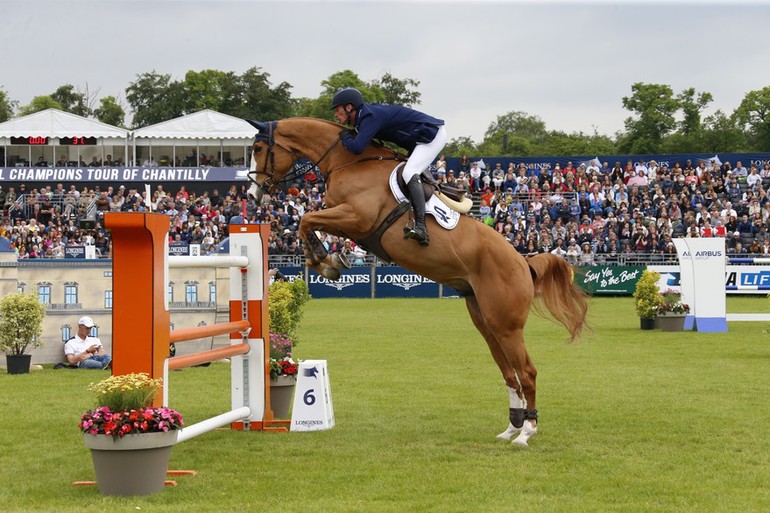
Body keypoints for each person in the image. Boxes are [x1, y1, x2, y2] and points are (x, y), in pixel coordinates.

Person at [331, 87, 446, 246]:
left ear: (349, 107)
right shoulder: (363, 118)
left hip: (430, 136)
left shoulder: (369, 117)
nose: (335, 115)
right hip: (416, 140)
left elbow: (357, 148)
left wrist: (344, 135)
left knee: (409, 172)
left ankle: (421, 227)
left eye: (337, 110)